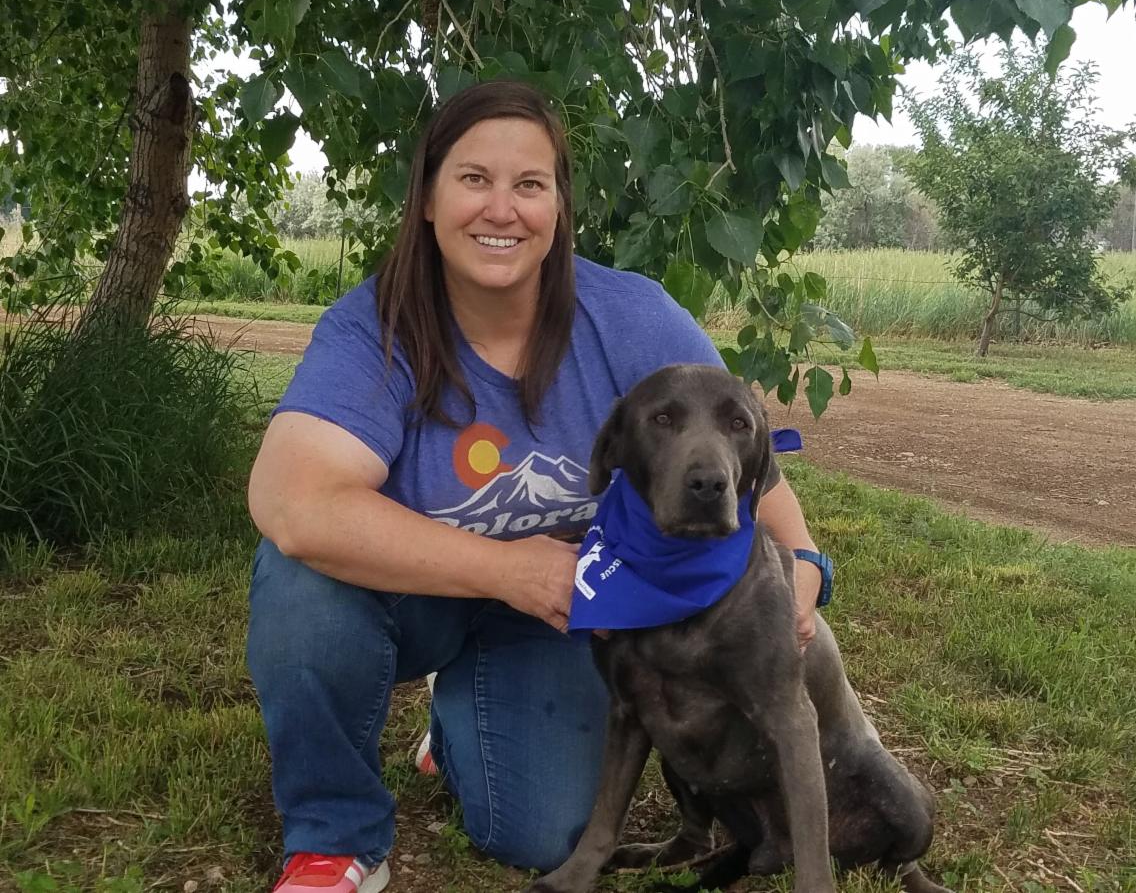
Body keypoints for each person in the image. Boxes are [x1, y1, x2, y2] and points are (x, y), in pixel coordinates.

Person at [246, 79, 826, 893]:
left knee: (546, 830)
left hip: (561, 612)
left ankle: (456, 729)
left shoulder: (633, 318)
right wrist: (507, 570)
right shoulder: (375, 327)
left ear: (558, 207)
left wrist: (807, 564)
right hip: (414, 590)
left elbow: (741, 454)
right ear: (427, 199)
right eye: (473, 179)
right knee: (300, 582)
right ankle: (334, 835)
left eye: (529, 184)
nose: (502, 209)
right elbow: (293, 502)